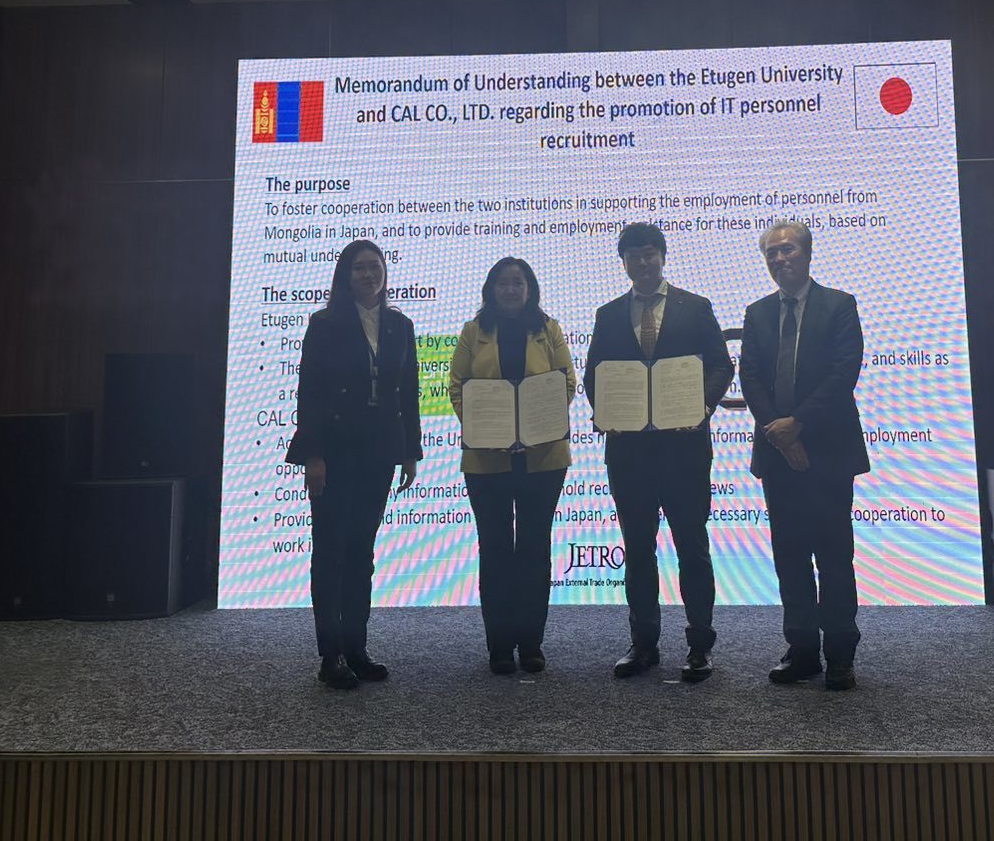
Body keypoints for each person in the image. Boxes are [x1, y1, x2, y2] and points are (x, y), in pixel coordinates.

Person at [584, 222, 733, 682]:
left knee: (692, 548)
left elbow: (721, 365)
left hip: (684, 450)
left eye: (650, 253)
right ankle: (643, 643)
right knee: (638, 552)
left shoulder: (695, 307)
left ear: (663, 256)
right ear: (623, 262)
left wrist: (701, 406)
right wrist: (608, 410)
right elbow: (593, 375)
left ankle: (700, 645)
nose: (643, 262)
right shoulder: (609, 314)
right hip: (629, 453)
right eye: (634, 255)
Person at [285, 238, 421, 689]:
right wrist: (313, 455)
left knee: (362, 551)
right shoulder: (325, 324)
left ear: (384, 272)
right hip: (335, 450)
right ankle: (331, 655)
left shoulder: (400, 325)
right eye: (359, 267)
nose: (368, 274)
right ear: (346, 275)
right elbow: (310, 392)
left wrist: (410, 451)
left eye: (374, 266)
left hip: (380, 451)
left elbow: (408, 393)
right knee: (331, 552)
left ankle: (357, 649)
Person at [739, 220, 867, 691]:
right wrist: (781, 434)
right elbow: (750, 377)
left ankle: (840, 655)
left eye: (787, 250)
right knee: (789, 558)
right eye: (771, 253)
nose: (779, 259)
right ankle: (802, 650)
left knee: (834, 557)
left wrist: (798, 425)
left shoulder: (839, 305)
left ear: (807, 253)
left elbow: (844, 372)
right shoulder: (756, 313)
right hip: (777, 454)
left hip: (829, 453)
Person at [448, 257, 576, 675]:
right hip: (487, 460)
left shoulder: (549, 329)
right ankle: (500, 646)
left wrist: (539, 423)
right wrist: (486, 426)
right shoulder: (473, 331)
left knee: (535, 549)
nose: (510, 289)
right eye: (503, 283)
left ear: (530, 289)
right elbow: (457, 386)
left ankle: (531, 643)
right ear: (491, 289)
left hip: (543, 458)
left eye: (518, 282)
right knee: (496, 550)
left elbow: (566, 381)